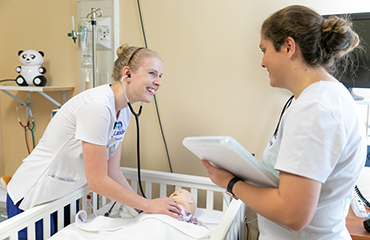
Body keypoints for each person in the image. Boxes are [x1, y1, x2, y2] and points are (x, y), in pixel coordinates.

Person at [201, 5, 366, 240]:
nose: (262, 62)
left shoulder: (315, 109)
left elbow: (293, 214)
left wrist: (231, 183)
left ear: (288, 47)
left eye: (264, 49)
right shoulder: (321, 98)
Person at [6, 44, 181, 239]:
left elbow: (112, 170)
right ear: (127, 73)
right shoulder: (97, 106)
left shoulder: (124, 112)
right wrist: (147, 205)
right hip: (33, 195)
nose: (158, 82)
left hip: (63, 195)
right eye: (152, 73)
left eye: (160, 76)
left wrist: (141, 208)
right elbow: (97, 181)